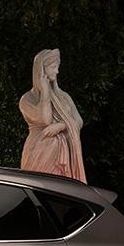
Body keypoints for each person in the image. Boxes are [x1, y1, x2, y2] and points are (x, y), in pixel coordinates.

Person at [19, 48, 87, 183]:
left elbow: (79, 120)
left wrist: (61, 125)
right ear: (41, 70)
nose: (57, 71)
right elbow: (45, 119)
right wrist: (45, 91)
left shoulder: (64, 97)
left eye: (57, 67)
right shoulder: (27, 99)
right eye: (53, 67)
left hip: (62, 155)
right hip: (39, 151)